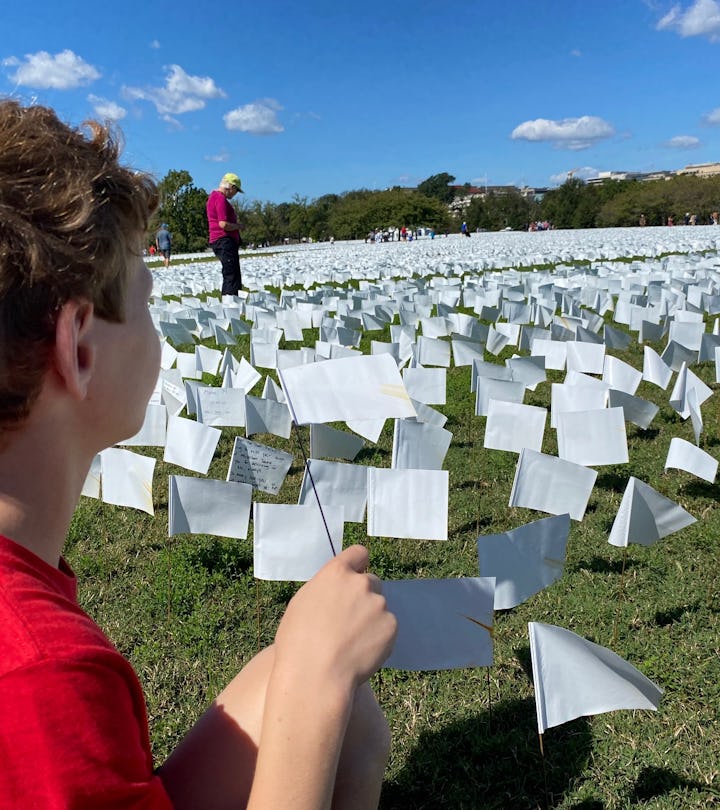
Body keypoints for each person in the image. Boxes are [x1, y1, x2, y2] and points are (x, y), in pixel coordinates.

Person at [0, 100, 397, 809]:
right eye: (146, 299)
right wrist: (313, 683)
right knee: (310, 683)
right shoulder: (37, 675)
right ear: (80, 349)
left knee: (337, 710)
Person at [206, 172, 245, 295]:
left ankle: (233, 304)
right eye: (236, 191)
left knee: (231, 273)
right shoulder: (220, 198)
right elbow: (223, 224)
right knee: (231, 275)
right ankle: (230, 304)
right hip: (224, 240)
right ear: (231, 187)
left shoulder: (213, 196)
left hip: (220, 240)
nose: (235, 194)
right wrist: (238, 226)